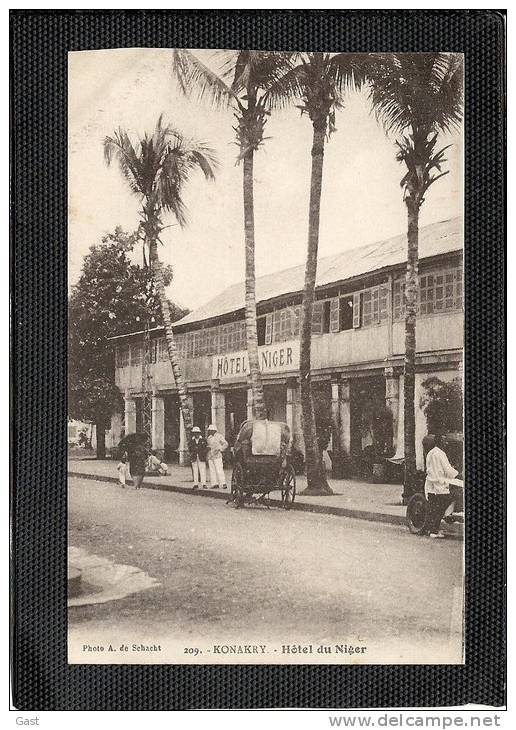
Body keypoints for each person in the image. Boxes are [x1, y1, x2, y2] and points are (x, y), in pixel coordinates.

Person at [424, 433, 458, 539]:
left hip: (431, 485)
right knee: (444, 505)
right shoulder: (441, 454)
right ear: (440, 442)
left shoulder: (430, 453)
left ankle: (431, 530)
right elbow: (448, 470)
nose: (446, 442)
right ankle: (442, 521)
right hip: (440, 485)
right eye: (444, 441)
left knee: (433, 508)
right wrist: (457, 473)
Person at [206, 423, 228, 489]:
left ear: (214, 430)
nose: (209, 431)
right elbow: (208, 445)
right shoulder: (209, 438)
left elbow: (225, 444)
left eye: (210, 430)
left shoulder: (219, 436)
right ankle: (214, 483)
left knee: (219, 469)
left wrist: (220, 449)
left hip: (217, 455)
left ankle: (223, 483)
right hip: (210, 455)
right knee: (212, 470)